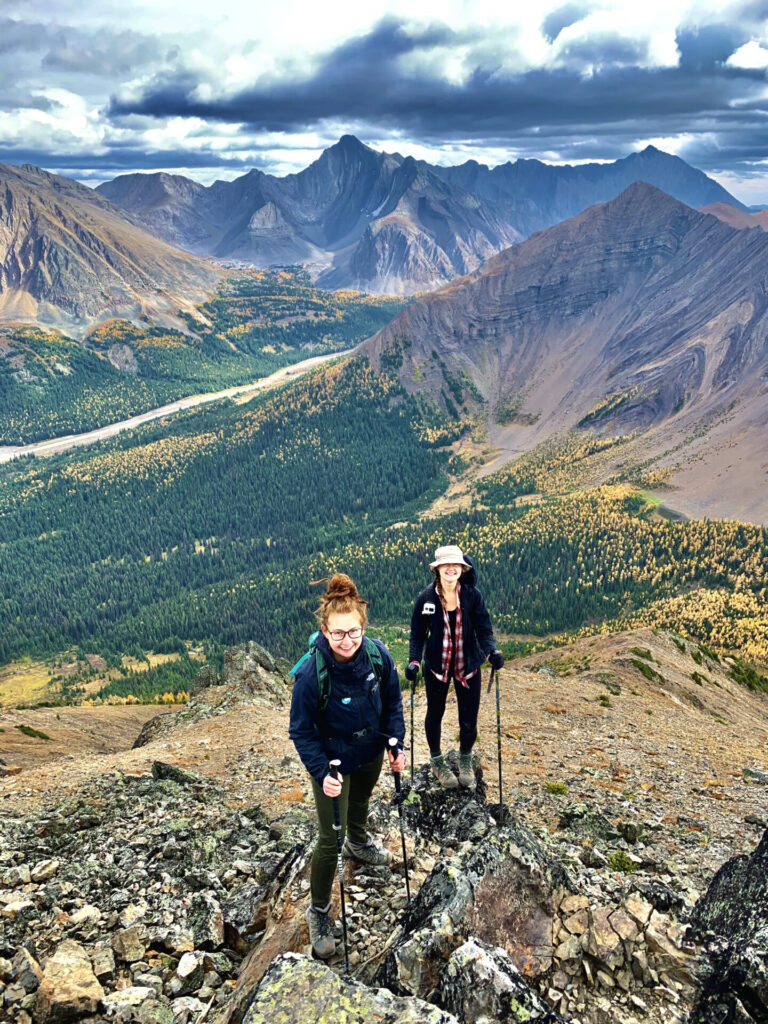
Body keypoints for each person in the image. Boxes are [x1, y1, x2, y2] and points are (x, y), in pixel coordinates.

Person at [289, 573, 406, 960]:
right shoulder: (310, 673)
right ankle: (319, 910)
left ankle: (359, 841)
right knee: (328, 839)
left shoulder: (378, 655)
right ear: (324, 630)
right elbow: (302, 732)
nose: (347, 641)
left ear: (362, 627)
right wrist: (322, 773)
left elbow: (392, 702)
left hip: (370, 753)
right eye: (338, 634)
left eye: (353, 632)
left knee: (360, 805)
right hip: (333, 764)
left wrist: (395, 741)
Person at [406, 544, 504, 790]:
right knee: (435, 714)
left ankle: (465, 758)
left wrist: (492, 651)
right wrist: (414, 661)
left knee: (469, 720)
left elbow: (484, 628)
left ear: (462, 568)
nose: (451, 569)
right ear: (437, 569)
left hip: (468, 665)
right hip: (436, 668)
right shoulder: (426, 598)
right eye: (446, 565)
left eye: (455, 565)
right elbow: (417, 634)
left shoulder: (472, 595)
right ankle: (437, 761)